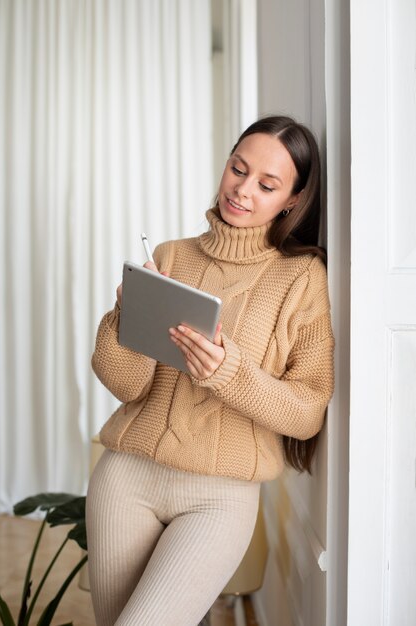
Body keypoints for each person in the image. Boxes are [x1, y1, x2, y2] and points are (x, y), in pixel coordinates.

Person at [86, 115, 335, 626]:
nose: (242, 191)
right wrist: (124, 317)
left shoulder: (302, 277)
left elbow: (308, 411)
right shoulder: (171, 255)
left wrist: (228, 372)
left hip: (219, 499)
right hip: (126, 477)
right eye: (237, 169)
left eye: (266, 185)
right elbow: (127, 385)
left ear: (292, 199)